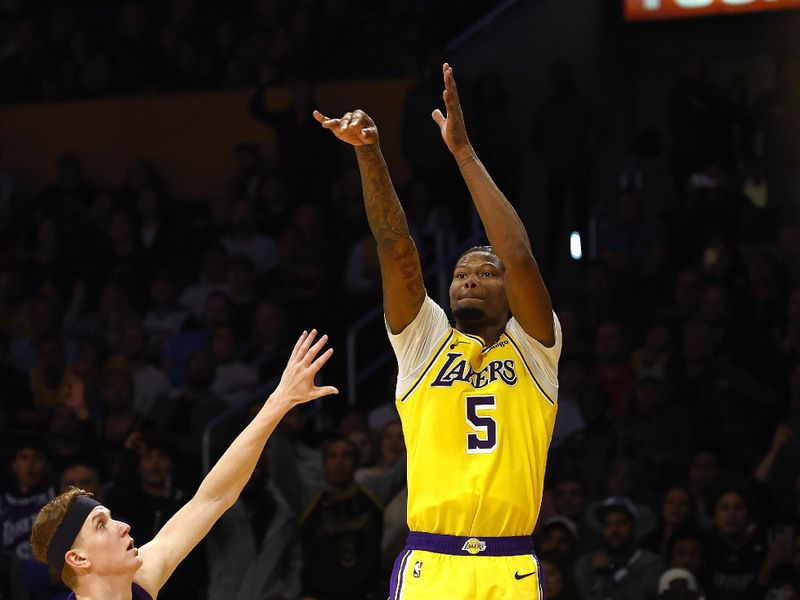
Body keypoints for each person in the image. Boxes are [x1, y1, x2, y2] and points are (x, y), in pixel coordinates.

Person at [315, 62, 561, 599]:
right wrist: (369, 153)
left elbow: (517, 254)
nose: (469, 279)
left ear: (508, 293)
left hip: (510, 563)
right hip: (432, 560)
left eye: (485, 273)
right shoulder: (424, 342)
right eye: (460, 274)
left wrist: (464, 154)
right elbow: (395, 246)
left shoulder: (537, 349)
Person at [29, 330, 337, 600]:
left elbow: (215, 497)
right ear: (78, 559)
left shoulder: (141, 580)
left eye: (109, 518)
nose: (122, 527)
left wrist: (280, 401)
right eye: (101, 525)